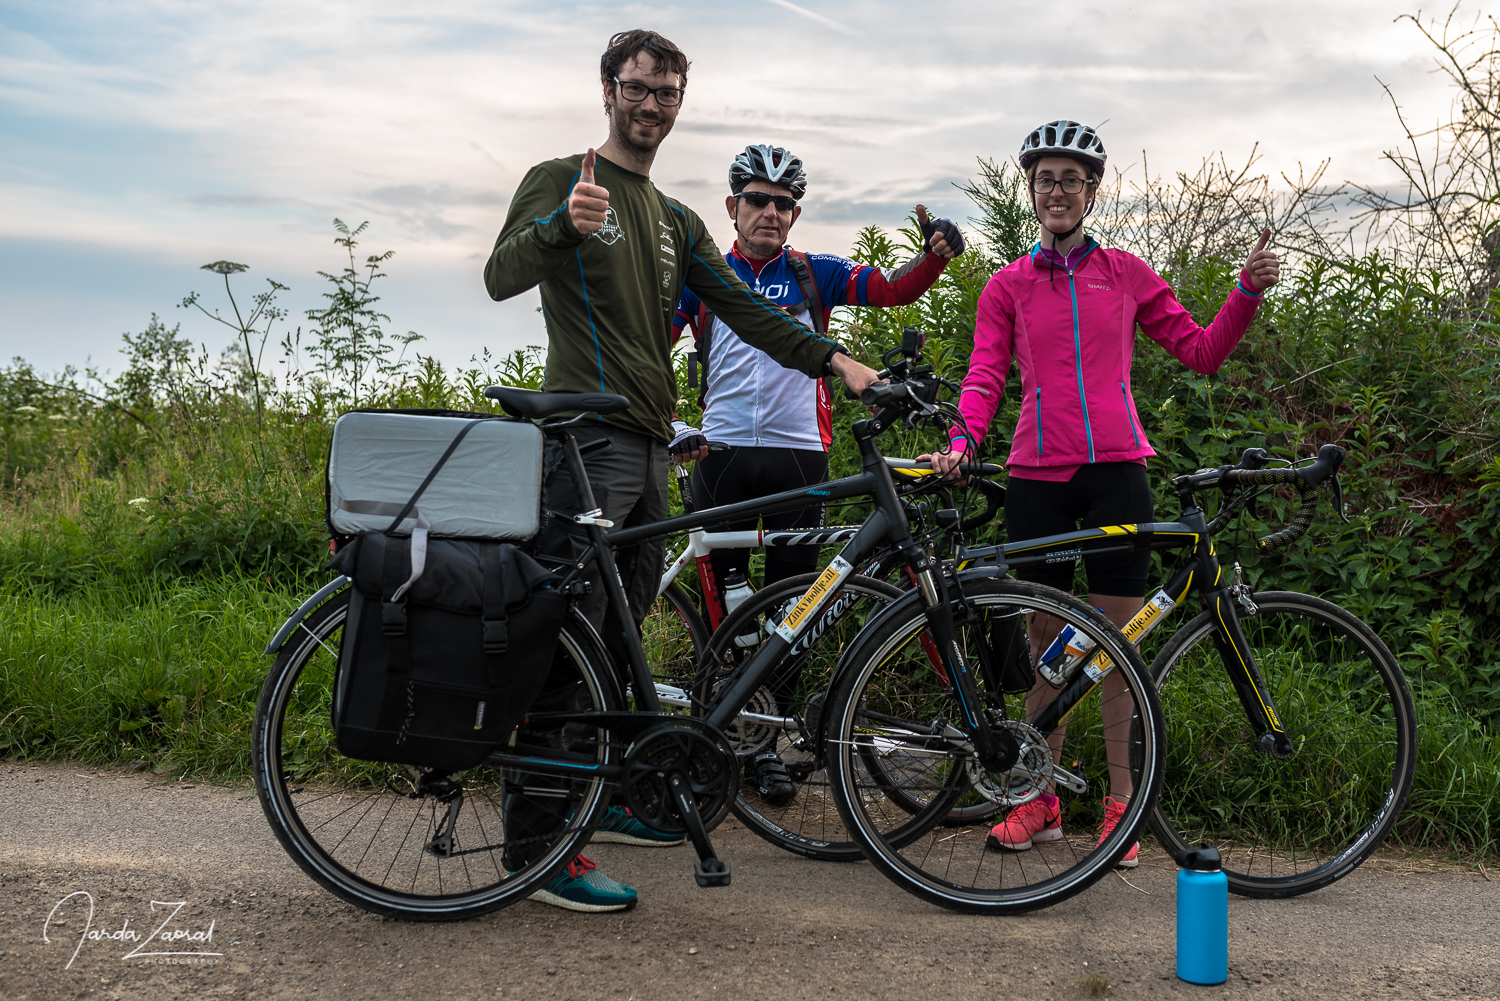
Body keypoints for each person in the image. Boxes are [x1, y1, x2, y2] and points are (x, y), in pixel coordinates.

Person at [483, 30, 879, 913]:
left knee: (619, 638)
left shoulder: (675, 221)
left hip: (648, 446)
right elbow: (499, 276)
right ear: (608, 89)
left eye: (667, 93)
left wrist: (835, 362)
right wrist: (557, 230)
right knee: (569, 638)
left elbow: (743, 308)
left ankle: (604, 795)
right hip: (583, 441)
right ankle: (537, 848)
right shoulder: (562, 179)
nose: (652, 104)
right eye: (639, 88)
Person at [925, 120, 1280, 867]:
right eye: (1045, 180)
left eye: (1071, 180)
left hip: (1119, 470)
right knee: (1044, 653)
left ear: (1093, 191)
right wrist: (962, 443)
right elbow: (985, 377)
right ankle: (1039, 799)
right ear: (1031, 191)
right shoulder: (1007, 285)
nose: (1058, 192)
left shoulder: (1126, 273)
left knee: (1117, 648)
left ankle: (1123, 805)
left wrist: (1245, 290)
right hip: (1037, 478)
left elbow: (1201, 351)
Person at [670, 143, 965, 801]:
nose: (770, 212)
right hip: (717, 456)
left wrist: (936, 257)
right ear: (732, 207)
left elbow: (890, 288)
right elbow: (650, 343)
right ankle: (710, 741)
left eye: (783, 202)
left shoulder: (814, 272)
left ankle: (767, 746)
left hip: (799, 455)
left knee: (794, 609)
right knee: (726, 611)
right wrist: (667, 421)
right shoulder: (703, 276)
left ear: (795, 212)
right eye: (757, 200)